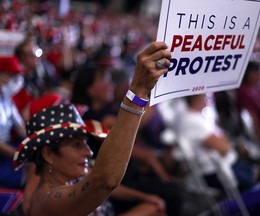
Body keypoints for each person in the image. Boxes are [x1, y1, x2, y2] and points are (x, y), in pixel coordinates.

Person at [13, 41, 171, 216]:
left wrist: (144, 197)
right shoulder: (49, 200)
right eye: (76, 145)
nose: (88, 152)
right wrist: (137, 92)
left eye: (85, 143)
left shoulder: (66, 178)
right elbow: (103, 181)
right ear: (48, 154)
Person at [177, 94, 258, 192]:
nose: (207, 99)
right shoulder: (192, 120)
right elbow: (224, 148)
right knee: (254, 187)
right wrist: (223, 140)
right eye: (205, 96)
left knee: (257, 172)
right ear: (196, 98)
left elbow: (223, 141)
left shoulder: (198, 116)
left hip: (225, 164)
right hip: (215, 171)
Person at [0, 56, 26, 190]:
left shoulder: (5, 97)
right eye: (11, 76)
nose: (15, 81)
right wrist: (18, 155)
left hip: (8, 149)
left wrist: (32, 144)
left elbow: (20, 126)